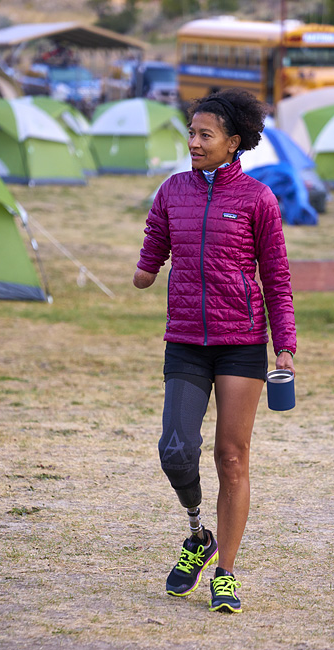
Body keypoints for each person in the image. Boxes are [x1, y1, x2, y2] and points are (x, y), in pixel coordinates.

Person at [133, 88, 296, 613]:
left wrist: (284, 346)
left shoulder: (257, 199)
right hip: (185, 339)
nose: (194, 142)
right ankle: (197, 534)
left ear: (234, 142)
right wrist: (146, 266)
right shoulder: (172, 190)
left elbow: (276, 277)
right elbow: (155, 240)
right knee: (175, 450)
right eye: (191, 132)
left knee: (231, 456)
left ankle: (224, 571)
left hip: (241, 343)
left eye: (206, 135)